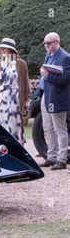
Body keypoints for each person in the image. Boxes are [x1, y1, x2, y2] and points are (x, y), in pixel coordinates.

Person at [38, 32, 70, 170]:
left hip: (58, 97)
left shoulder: (65, 57)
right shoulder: (49, 54)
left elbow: (66, 79)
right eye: (45, 43)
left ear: (57, 42)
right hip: (47, 94)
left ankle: (62, 159)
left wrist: (47, 75)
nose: (46, 46)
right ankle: (51, 157)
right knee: (48, 127)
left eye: (48, 43)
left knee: (59, 128)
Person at [0, 38, 30, 145]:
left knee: (14, 124)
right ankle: (5, 149)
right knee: (2, 124)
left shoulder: (20, 63)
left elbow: (25, 83)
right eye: (1, 48)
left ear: (11, 50)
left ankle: (17, 148)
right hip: (1, 99)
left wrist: (26, 100)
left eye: (5, 48)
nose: (2, 50)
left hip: (14, 98)